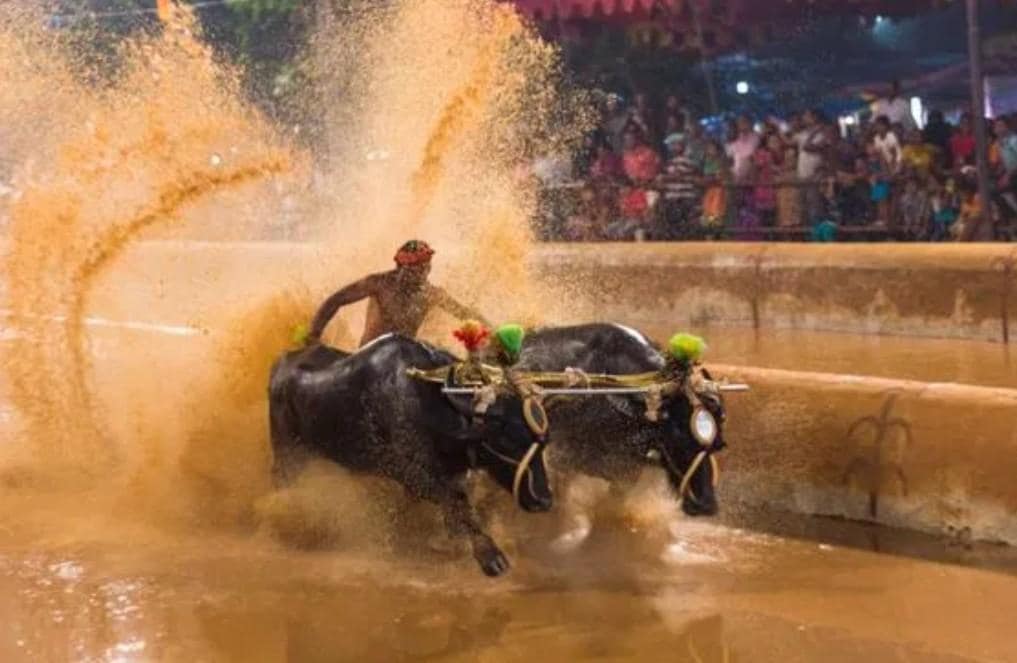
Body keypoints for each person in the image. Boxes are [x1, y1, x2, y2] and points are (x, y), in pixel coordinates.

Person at [305, 240, 489, 348]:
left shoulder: (430, 293)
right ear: (403, 267)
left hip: (403, 361)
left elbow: (465, 314)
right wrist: (314, 335)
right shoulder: (379, 283)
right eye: (419, 268)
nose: (425, 271)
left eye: (427, 266)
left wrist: (494, 331)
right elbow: (335, 301)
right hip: (368, 357)